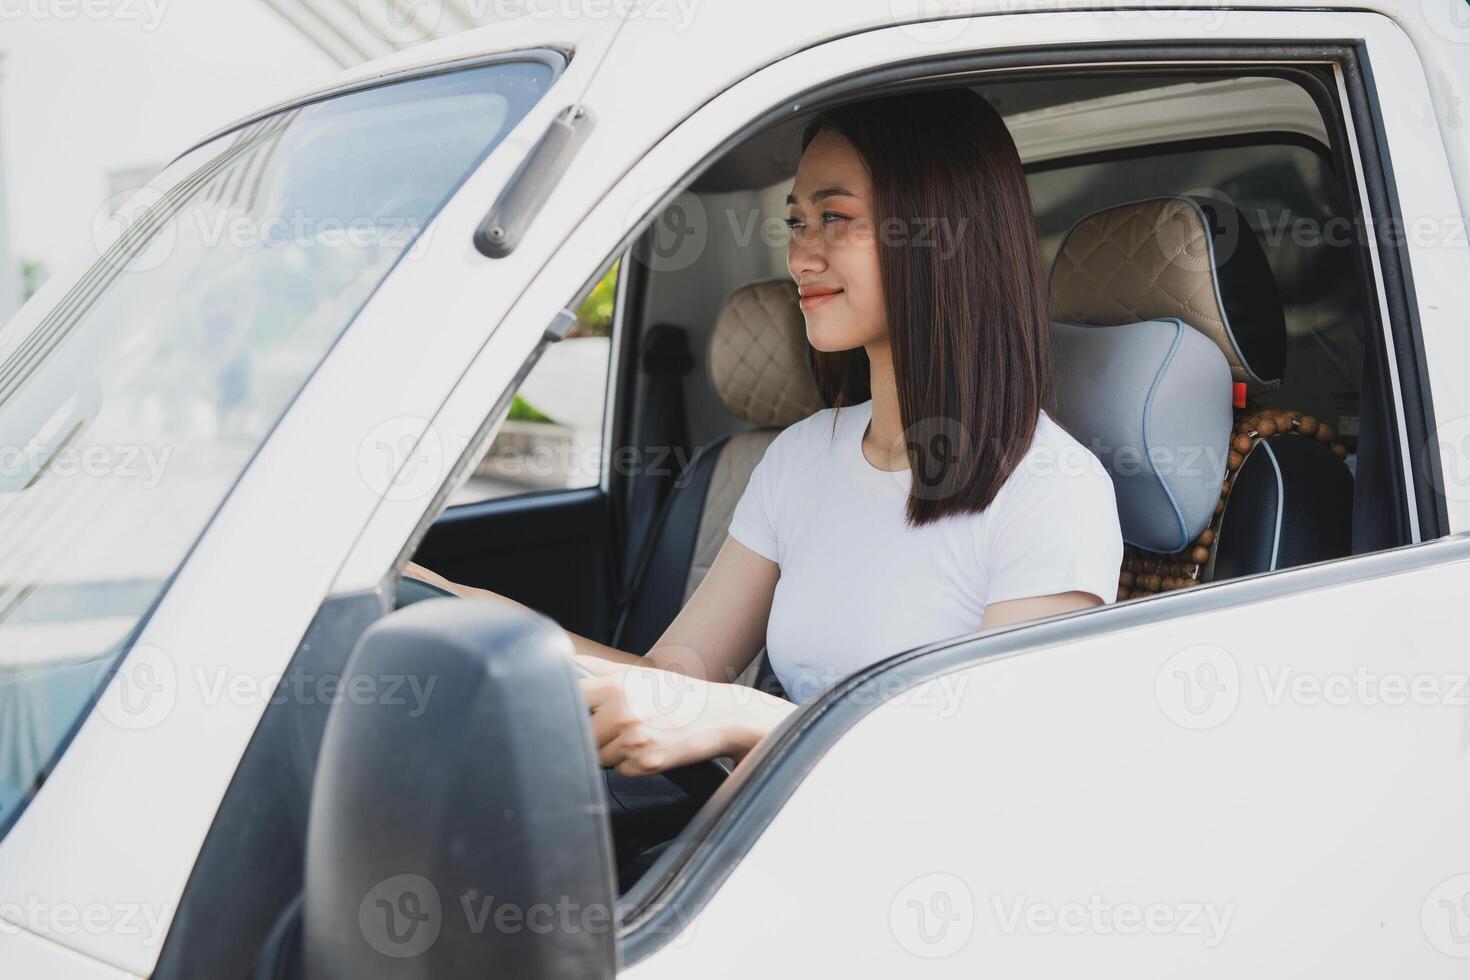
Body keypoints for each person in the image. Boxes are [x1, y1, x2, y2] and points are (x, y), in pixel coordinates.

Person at [406, 88, 1123, 778]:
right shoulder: (801, 457)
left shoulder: (1051, 491)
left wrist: (747, 720)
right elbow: (671, 679)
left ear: (939, 237)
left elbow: (994, 766)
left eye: (835, 219)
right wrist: (447, 599)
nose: (801, 258)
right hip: (757, 833)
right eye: (796, 222)